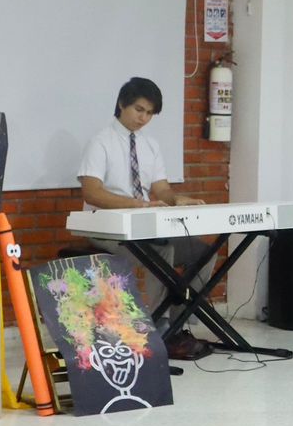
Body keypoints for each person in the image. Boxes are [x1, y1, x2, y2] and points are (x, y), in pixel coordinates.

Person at [77, 77, 209, 360]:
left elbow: (160, 188)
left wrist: (176, 199)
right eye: (139, 109)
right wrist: (135, 204)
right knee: (162, 251)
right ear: (122, 104)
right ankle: (158, 329)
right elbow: (92, 192)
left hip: (144, 224)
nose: (144, 118)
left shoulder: (150, 145)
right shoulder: (100, 142)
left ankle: (179, 323)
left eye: (149, 113)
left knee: (201, 251)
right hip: (106, 226)